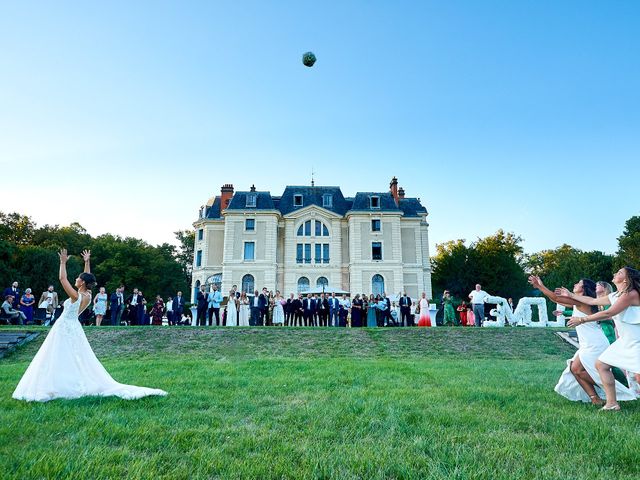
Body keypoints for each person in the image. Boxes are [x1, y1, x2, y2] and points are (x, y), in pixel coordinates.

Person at [13, 249, 167, 402]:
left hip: (64, 327)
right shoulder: (88, 294)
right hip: (73, 327)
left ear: (83, 283)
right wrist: (87, 262)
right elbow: (87, 277)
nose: (76, 279)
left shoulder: (75, 296)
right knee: (72, 356)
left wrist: (62, 262)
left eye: (79, 278)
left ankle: (61, 384)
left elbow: (62, 278)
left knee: (59, 355)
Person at [530, 275, 635, 406]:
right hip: (588, 343)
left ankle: (611, 393)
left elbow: (556, 298)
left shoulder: (583, 302)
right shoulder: (578, 301)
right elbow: (557, 299)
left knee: (580, 369)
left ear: (584, 289)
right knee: (575, 369)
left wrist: (540, 286)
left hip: (594, 344)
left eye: (579, 283)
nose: (575, 284)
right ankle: (595, 398)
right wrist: (540, 287)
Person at [559, 267, 640, 411]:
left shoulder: (630, 294)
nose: (615, 273)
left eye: (620, 273)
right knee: (601, 365)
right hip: (625, 341)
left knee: (639, 376)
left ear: (626, 279)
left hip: (637, 342)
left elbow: (609, 312)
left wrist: (583, 319)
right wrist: (571, 294)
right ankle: (612, 404)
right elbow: (591, 301)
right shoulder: (616, 295)